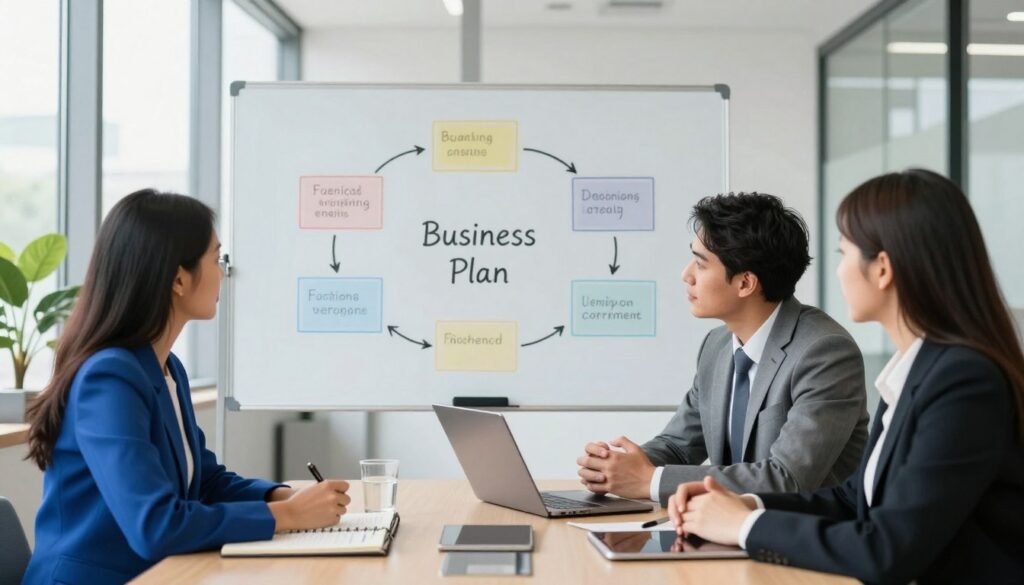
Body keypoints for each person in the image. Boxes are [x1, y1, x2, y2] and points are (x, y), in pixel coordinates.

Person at [668, 170, 1024, 583]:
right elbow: (855, 498)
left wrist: (742, 527)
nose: (838, 273)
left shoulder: (964, 382)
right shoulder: (920, 369)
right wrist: (745, 505)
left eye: (844, 253)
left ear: (883, 269)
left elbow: (887, 549)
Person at [22, 190, 351, 585]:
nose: (224, 271)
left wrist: (283, 497)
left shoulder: (164, 368)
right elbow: (156, 526)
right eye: (215, 258)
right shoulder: (108, 379)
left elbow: (206, 482)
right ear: (179, 278)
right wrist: (291, 516)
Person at [576, 192, 869, 504]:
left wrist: (649, 481)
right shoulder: (716, 345)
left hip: (799, 538)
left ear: (745, 283)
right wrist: (617, 466)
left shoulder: (824, 352)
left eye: (701, 264)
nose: (685, 275)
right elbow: (679, 445)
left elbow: (787, 478)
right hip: (727, 529)